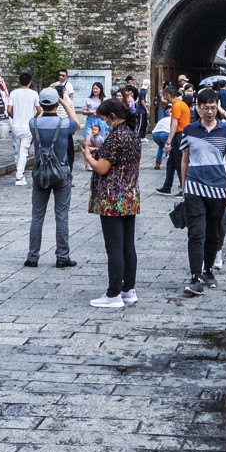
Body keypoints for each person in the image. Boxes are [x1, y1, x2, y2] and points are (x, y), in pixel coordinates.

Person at [82, 96, 141, 308]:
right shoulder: (132, 134)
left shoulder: (116, 137)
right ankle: (128, 289)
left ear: (113, 117)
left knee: (114, 247)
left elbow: (102, 168)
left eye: (105, 119)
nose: (103, 123)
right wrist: (99, 153)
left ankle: (113, 293)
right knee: (127, 246)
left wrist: (88, 157)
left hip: (112, 198)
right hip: (129, 196)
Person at [178, 88, 226, 296]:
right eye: (206, 108)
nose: (210, 112)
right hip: (195, 187)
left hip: (218, 188)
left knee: (214, 233)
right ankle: (195, 277)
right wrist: (184, 186)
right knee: (196, 233)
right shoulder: (189, 130)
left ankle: (208, 270)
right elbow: (184, 160)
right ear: (198, 108)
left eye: (213, 108)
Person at [25, 87, 79, 269]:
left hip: (40, 173)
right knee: (61, 215)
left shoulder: (33, 123)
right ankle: (62, 256)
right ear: (57, 103)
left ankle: (33, 256)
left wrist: (42, 109)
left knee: (37, 216)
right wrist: (65, 103)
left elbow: (38, 117)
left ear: (41, 104)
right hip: (61, 172)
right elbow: (76, 122)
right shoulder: (64, 124)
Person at [157, 86, 193, 194]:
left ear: (168, 95)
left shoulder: (176, 105)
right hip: (181, 133)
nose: (164, 98)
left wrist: (168, 141)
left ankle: (184, 188)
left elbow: (174, 124)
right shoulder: (181, 104)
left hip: (179, 134)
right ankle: (167, 186)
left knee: (179, 162)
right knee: (171, 162)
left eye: (165, 96)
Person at [7, 70, 40, 185]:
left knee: (17, 151)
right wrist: (33, 118)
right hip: (28, 126)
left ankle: (20, 174)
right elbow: (39, 110)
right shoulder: (34, 94)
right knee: (24, 152)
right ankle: (19, 176)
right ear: (30, 82)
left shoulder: (13, 93)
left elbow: (9, 110)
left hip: (16, 126)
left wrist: (15, 117)